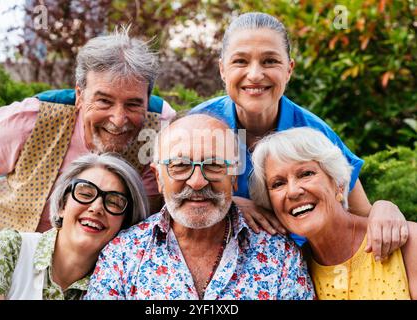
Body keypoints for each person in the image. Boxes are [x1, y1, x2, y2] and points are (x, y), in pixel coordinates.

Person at [189, 12, 408, 260]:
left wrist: (385, 207)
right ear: (222, 69)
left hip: (298, 267)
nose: (255, 74)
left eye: (270, 61)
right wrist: (230, 203)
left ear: (289, 69)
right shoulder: (197, 126)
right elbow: (170, 197)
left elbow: (360, 214)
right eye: (240, 61)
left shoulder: (314, 132)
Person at [0, 27, 175, 261]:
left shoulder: (163, 129)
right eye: (104, 101)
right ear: (79, 95)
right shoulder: (31, 119)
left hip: (90, 264)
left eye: (133, 105)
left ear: (147, 101)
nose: (118, 120)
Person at [84, 114, 315, 300]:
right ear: (158, 177)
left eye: (214, 165)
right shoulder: (122, 255)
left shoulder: (280, 257)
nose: (197, 181)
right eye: (180, 165)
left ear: (234, 176)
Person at [250, 127, 417, 300]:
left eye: (306, 174)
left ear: (339, 184)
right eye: (278, 184)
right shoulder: (292, 269)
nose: (293, 191)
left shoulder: (406, 240)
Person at [0, 153, 149, 299]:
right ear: (62, 205)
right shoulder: (10, 248)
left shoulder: (119, 287)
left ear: (125, 223)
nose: (96, 208)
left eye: (114, 203)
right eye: (85, 193)